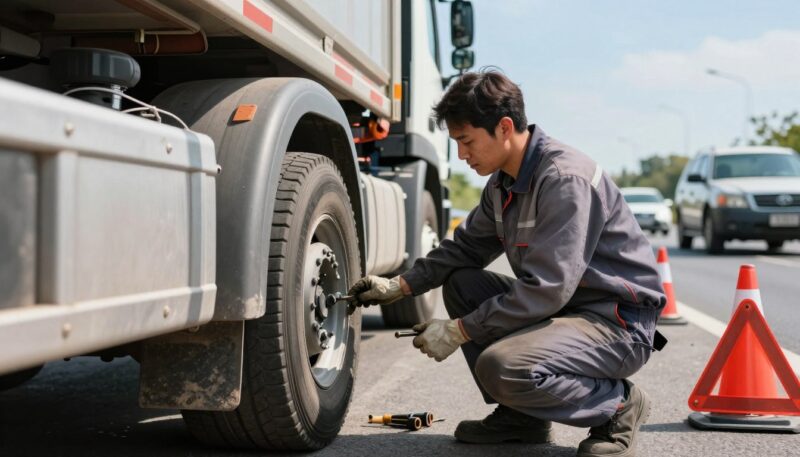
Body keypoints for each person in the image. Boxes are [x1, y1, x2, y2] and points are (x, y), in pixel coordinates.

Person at [348, 70, 666, 457]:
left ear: (503, 128)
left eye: (466, 141)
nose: (462, 155)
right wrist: (401, 285)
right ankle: (522, 417)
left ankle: (619, 406)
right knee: (463, 284)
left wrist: (460, 330)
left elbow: (547, 288)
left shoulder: (565, 179)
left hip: (616, 322)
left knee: (502, 366)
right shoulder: (503, 183)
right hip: (568, 309)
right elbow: (464, 249)